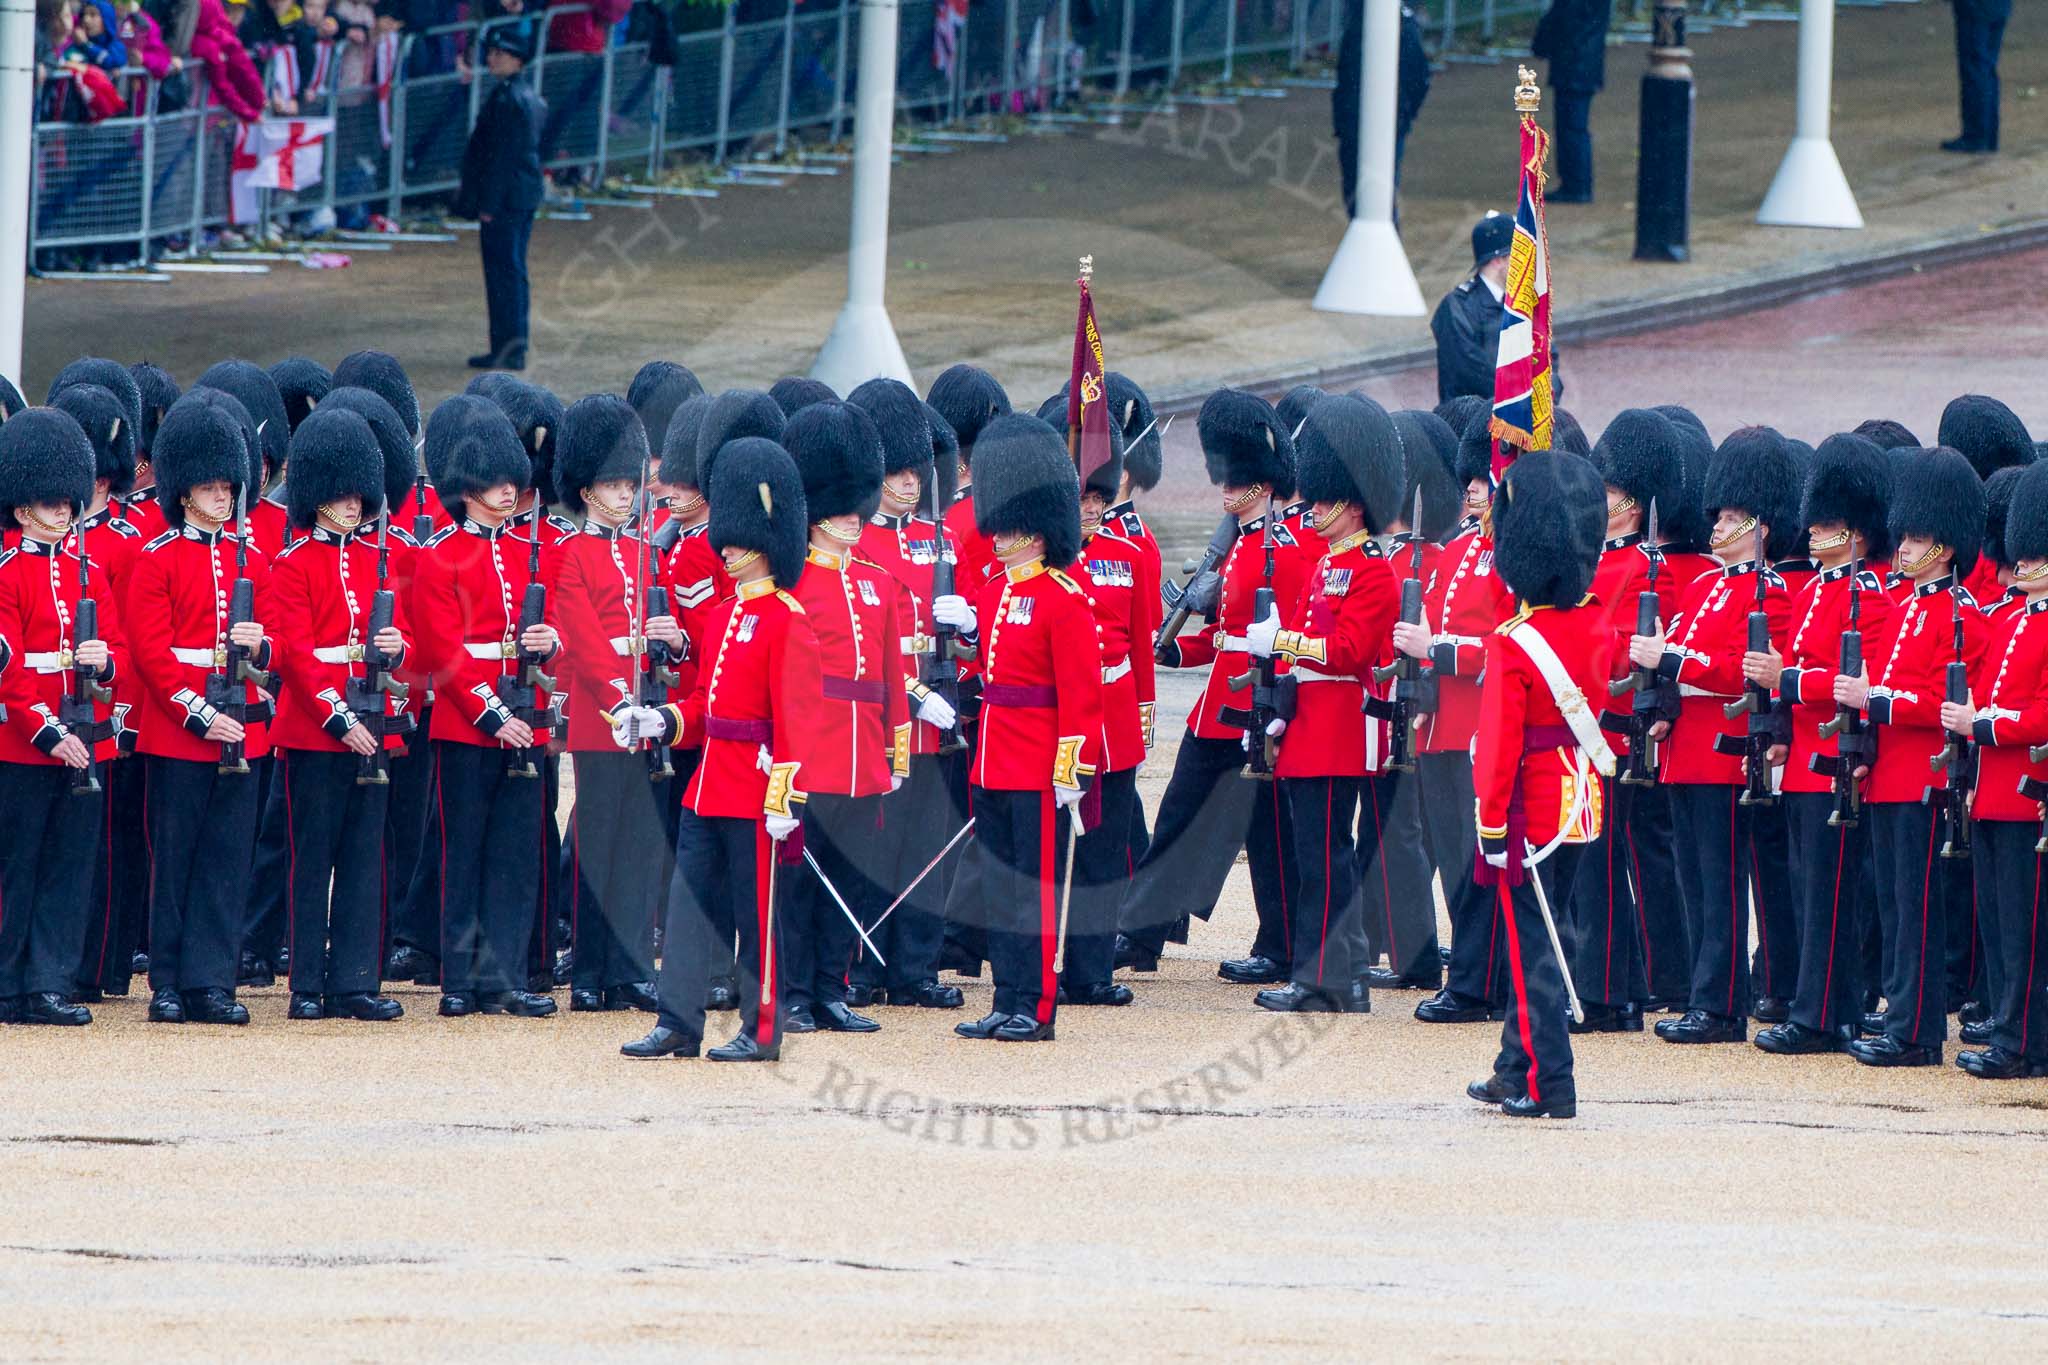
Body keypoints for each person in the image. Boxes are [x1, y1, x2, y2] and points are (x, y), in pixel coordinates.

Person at [623, 437, 821, 1062]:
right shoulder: (731, 613)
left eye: (736, 541)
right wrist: (661, 721)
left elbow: (797, 719)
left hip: (757, 789)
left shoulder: (788, 618)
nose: (725, 549)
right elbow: (708, 705)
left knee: (755, 916)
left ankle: (763, 1028)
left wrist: (785, 797)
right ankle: (678, 1021)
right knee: (688, 909)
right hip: (709, 784)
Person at [1118, 389, 1315, 983]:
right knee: (1180, 815)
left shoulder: (1290, 546)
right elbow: (1226, 635)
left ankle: (1279, 945)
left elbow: (1286, 629)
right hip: (1219, 706)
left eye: (1233, 477)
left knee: (1270, 832)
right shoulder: (1241, 541)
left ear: (1259, 480)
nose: (1224, 488)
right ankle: (1143, 931)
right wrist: (1176, 646)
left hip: (1260, 700)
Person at [940, 414, 1103, 1043]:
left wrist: (1071, 771)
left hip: (1038, 765)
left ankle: (1035, 1006)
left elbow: (1081, 697)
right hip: (996, 758)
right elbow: (989, 670)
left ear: (1034, 531)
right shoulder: (1000, 593)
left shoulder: (1065, 597)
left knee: (1033, 894)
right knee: (1002, 891)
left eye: (1008, 526)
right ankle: (1006, 996)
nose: (997, 535)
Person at [1630, 428, 1797, 1045]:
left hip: (1726, 751)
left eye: (1734, 518)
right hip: (1684, 748)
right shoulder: (1704, 584)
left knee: (1720, 880)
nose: (1721, 527)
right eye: (1720, 516)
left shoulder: (1768, 590)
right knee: (1692, 878)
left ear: (1762, 527)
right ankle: (1706, 993)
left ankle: (1721, 1003)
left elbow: (1741, 671)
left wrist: (1673, 663)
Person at [1464, 448, 1614, 1119]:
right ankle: (1511, 1065)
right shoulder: (1595, 620)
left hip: (1528, 808)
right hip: (1579, 799)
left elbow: (1498, 746)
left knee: (1532, 952)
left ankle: (1550, 1082)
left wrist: (1491, 824)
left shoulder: (1516, 642)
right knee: (1558, 934)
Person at [1247, 392, 1404, 1013]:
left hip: (1340, 731)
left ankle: (1335, 977)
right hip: (1310, 726)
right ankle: (1325, 974)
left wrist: (1281, 638)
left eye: (1324, 496)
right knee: (1316, 860)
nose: (1312, 507)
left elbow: (1346, 653)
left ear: (1353, 502)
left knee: (1330, 860)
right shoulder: (1327, 564)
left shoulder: (1371, 570)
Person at [408, 394, 561, 1018]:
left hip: (528, 714)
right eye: (496, 482)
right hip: (468, 727)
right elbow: (445, 652)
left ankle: (504, 977)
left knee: (515, 856)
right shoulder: (438, 554)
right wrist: (496, 715)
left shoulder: (534, 550)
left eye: (512, 481)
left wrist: (552, 644)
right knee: (463, 851)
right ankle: (458, 979)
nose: (508, 491)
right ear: (468, 487)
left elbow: (554, 626)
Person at [126, 388, 275, 1026]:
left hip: (241, 724)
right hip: (180, 730)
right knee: (177, 856)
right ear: (184, 491)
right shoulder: (156, 559)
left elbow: (279, 641)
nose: (222, 496)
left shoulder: (254, 560)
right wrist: (196, 712)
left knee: (226, 859)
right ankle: (168, 980)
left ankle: (212, 979)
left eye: (227, 487)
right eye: (210, 487)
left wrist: (262, 647)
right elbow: (153, 654)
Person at [1836, 448, 1988, 1067]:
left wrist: (1878, 700)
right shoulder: (1905, 608)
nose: (1902, 549)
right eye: (1903, 537)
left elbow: (1942, 708)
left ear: (1945, 548)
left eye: (1917, 538)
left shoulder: (1961, 616)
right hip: (1887, 779)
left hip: (1924, 782)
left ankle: (1918, 1032)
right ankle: (1901, 1014)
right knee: (1895, 906)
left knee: (1918, 907)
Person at [1749, 433, 1894, 1056]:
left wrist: (1784, 677)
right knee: (1810, 890)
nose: (1813, 534)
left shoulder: (1871, 595)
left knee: (1830, 896)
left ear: (1857, 532)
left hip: (1836, 764)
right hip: (1805, 764)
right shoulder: (1815, 589)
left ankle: (1824, 1015)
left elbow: (1842, 683)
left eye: (1828, 525)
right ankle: (1817, 1007)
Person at [265, 407, 410, 1021]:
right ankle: (306, 983)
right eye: (343, 494)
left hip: (373, 724)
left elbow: (402, 643)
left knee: (363, 858)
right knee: (312, 857)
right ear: (318, 495)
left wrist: (397, 650)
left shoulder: (376, 562)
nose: (354, 505)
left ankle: (354, 979)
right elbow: (297, 655)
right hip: (316, 734)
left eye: (360, 494)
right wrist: (338, 718)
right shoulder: (292, 564)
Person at [778, 400, 905, 1034]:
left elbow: (889, 680)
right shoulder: (792, 581)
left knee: (849, 878)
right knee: (800, 880)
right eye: (841, 507)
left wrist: (896, 752)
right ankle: (794, 991)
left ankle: (832, 987)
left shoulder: (879, 582)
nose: (853, 519)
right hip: (812, 748)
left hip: (864, 753)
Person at [848, 378, 969, 1010]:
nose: (909, 483)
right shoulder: (857, 541)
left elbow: (955, 640)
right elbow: (863, 639)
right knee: (877, 842)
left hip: (936, 717)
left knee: (928, 846)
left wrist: (967, 628)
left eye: (914, 471)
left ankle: (914, 967)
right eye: (896, 473)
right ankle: (865, 967)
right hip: (885, 715)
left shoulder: (937, 538)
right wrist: (915, 691)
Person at [0, 407, 123, 1026]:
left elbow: (118, 654)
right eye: (50, 504)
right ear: (22, 509)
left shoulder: (90, 572)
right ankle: (7, 981)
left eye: (67, 503)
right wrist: (49, 735)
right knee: (17, 868)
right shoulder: (8, 573)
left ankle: (46, 982)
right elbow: (11, 668)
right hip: (25, 746)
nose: (64, 513)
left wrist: (103, 668)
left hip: (85, 737)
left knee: (68, 867)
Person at [1565, 408, 1685, 1034]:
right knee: (1593, 863)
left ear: (1631, 503)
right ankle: (1617, 983)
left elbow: (1635, 649)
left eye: (1608, 492)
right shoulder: (1596, 559)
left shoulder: (1645, 567)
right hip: (1585, 723)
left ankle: (1609, 995)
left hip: (1613, 733)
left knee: (1603, 864)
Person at [549, 394, 668, 1014]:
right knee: (600, 847)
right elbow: (586, 642)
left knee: (640, 848)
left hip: (645, 716)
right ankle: (590, 974)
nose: (627, 494)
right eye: (615, 485)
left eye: (630, 483)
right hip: (603, 723)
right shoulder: (572, 552)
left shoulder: (646, 553)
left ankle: (627, 971)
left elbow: (654, 631)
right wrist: (620, 702)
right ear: (587, 490)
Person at [1402, 414, 1516, 1024]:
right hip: (1439, 724)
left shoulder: (1508, 554)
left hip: (1478, 726)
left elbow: (1502, 646)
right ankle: (1471, 973)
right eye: (1468, 479)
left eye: (1481, 480)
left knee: (1478, 861)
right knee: (1452, 856)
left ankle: (1478, 981)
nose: (1470, 489)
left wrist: (1435, 649)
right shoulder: (1456, 548)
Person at [1951, 459, 2048, 1078]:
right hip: (1989, 794)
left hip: (2024, 795)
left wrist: (1983, 725)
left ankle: (2026, 1043)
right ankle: (2009, 1031)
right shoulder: (2012, 619)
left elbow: (2039, 715)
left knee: (2026, 932)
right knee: (2003, 932)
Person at [454, 24, 546, 371]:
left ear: (516, 60)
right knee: (511, 271)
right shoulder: (524, 96)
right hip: (520, 195)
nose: (491, 59)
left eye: (499, 54)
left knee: (503, 272)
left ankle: (508, 347)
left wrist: (488, 204)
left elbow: (501, 159)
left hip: (507, 199)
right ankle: (510, 345)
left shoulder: (509, 99)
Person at [1332, 2, 1429, 222]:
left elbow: (1419, 79)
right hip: (1356, 125)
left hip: (1384, 127)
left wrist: (1402, 116)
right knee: (1357, 192)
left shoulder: (1401, 27)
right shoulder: (1361, 25)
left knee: (1378, 197)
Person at [1530, 0, 1611, 202]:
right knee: (1574, 126)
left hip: (1573, 61)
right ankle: (1576, 183)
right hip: (1584, 59)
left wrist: (1542, 43)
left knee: (1571, 127)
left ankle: (1576, 185)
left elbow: (1563, 19)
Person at [1432, 213, 1513, 406]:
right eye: (1518, 256)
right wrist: (1521, 397)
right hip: (1472, 423)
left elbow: (1547, 355)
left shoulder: (1523, 301)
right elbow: (1472, 373)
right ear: (1498, 260)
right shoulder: (1456, 307)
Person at [1944, 0, 2009, 153]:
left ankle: (1976, 135)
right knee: (1987, 69)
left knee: (1974, 69)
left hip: (1975, 7)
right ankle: (1988, 135)